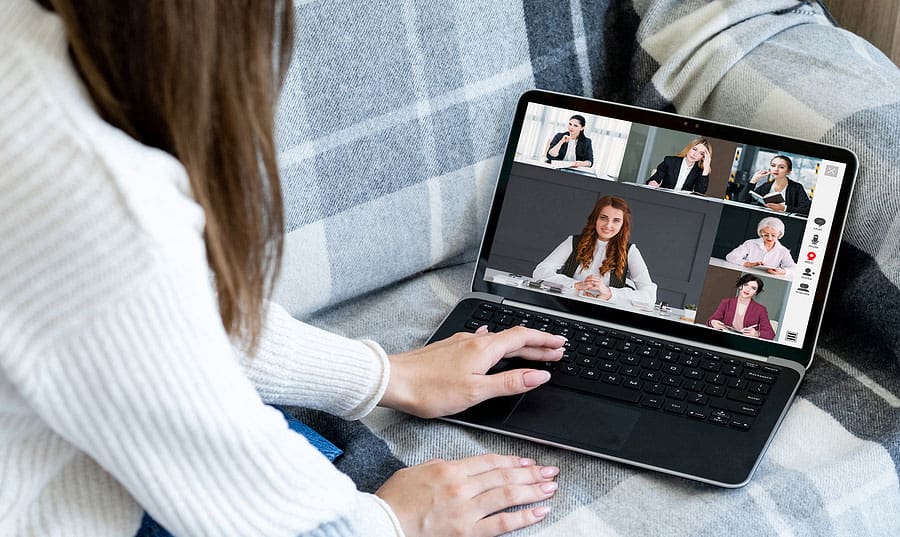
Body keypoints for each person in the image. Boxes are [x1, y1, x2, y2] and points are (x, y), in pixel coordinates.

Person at [0, 2, 568, 536]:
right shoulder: (92, 199)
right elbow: (126, 291)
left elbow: (158, 320)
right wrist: (387, 521)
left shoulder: (28, 41)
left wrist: (385, 376)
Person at [533, 196, 658, 305]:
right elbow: (540, 272)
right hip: (566, 305)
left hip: (605, 313)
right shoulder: (574, 241)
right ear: (595, 219)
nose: (608, 225)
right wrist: (575, 285)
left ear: (623, 225)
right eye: (603, 218)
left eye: (616, 221)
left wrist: (608, 292)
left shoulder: (630, 251)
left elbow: (649, 296)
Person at [737, 154, 812, 216]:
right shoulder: (766, 186)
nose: (776, 169)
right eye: (773, 165)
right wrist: (754, 180)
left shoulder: (796, 187)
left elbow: (806, 210)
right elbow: (742, 201)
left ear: (788, 171)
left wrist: (784, 208)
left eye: (781, 167)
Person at [707, 274, 776, 340]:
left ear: (756, 292)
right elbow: (711, 320)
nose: (748, 289)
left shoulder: (761, 310)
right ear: (740, 286)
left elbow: (770, 334)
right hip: (724, 339)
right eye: (746, 285)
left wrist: (756, 333)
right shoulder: (726, 302)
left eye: (753, 288)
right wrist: (713, 323)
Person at [725, 216, 797, 277]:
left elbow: (794, 268)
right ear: (760, 232)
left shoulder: (783, 251)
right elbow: (730, 256)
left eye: (773, 235)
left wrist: (782, 271)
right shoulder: (750, 243)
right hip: (746, 276)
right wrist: (748, 264)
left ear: (779, 234)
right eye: (766, 235)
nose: (769, 238)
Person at [646, 137, 713, 193]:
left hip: (682, 203)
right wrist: (653, 182)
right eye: (694, 149)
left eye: (701, 153)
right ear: (689, 148)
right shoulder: (670, 161)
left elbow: (700, 193)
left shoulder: (700, 171)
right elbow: (656, 178)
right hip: (664, 197)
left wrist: (706, 169)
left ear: (703, 157)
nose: (695, 154)